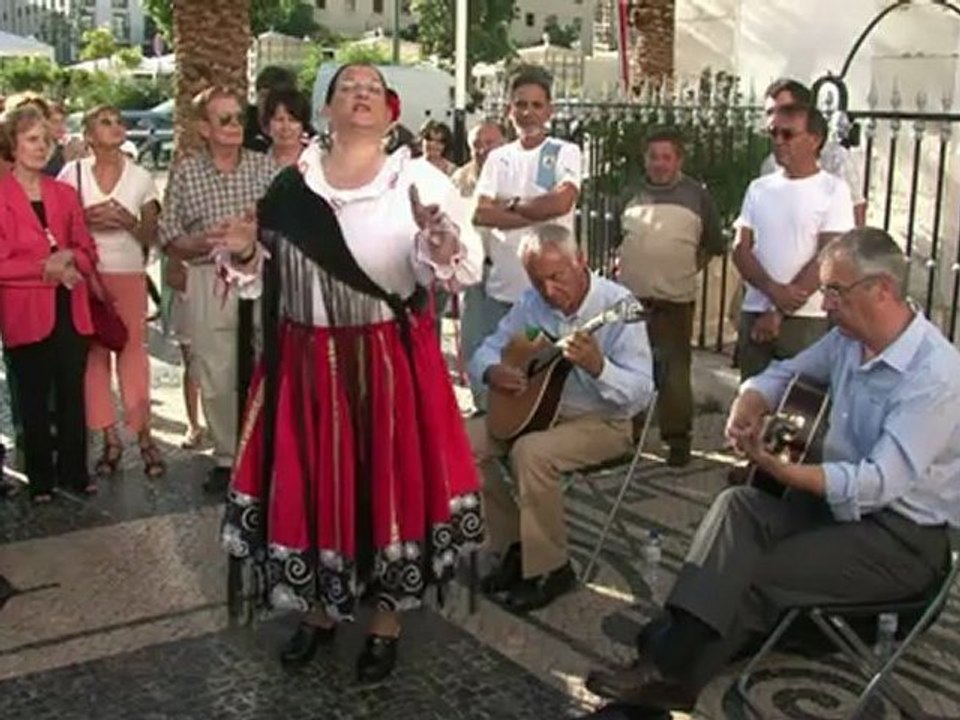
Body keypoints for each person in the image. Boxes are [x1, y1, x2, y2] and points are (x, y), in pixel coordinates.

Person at [584, 227, 958, 715]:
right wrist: (751, 400)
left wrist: (781, 472)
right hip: (833, 512)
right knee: (737, 506)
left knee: (747, 570)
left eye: (834, 291)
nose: (823, 305)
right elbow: (783, 374)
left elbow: (877, 483)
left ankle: (667, 671)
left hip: (900, 542)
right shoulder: (849, 340)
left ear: (882, 290)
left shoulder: (936, 376)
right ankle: (670, 660)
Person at [216, 63, 484, 683]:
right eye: (347, 88)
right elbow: (262, 272)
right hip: (306, 364)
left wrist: (439, 243)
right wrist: (241, 252)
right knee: (313, 489)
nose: (361, 94)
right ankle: (319, 613)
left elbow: (455, 267)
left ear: (390, 113)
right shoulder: (292, 182)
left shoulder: (416, 179)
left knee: (385, 491)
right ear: (326, 110)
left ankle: (385, 623)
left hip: (385, 364)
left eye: (372, 89)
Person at [468, 223, 654, 613]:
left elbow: (639, 394)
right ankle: (513, 545)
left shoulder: (621, 307)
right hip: (538, 413)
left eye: (557, 277)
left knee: (530, 453)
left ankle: (552, 569)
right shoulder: (532, 305)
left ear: (581, 261)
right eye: (539, 282)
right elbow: (488, 349)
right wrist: (492, 371)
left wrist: (600, 367)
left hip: (604, 421)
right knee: (463, 443)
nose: (550, 292)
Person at [158, 86, 275, 493]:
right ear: (203, 128)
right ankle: (229, 457)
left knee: (266, 363)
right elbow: (169, 234)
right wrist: (205, 242)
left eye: (238, 117)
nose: (233, 126)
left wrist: (250, 235)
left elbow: (282, 227)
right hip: (209, 279)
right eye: (223, 119)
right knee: (214, 369)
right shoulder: (187, 171)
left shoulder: (265, 167)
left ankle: (267, 453)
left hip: (259, 275)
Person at [58, 105, 165, 478]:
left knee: (134, 354)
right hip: (87, 278)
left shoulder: (140, 177)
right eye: (105, 121)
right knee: (95, 359)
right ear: (88, 133)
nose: (116, 126)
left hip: (129, 272)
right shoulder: (71, 174)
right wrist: (87, 221)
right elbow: (58, 230)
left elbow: (152, 236)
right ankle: (110, 441)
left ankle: (145, 437)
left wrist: (127, 220)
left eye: (119, 121)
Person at [0, 104, 98, 502]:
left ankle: (76, 472)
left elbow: (88, 250)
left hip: (70, 310)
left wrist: (72, 260)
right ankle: (40, 478)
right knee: (33, 398)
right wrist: (47, 268)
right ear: (13, 144)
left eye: (46, 140)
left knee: (73, 395)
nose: (42, 148)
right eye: (32, 140)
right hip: (25, 313)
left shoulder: (65, 193)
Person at [617, 127, 725, 467]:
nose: (659, 164)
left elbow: (712, 244)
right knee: (629, 369)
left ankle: (677, 441)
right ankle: (627, 437)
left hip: (674, 303)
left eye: (667, 157)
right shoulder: (631, 193)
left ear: (678, 159)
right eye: (653, 157)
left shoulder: (697, 196)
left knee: (674, 376)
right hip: (631, 302)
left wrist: (683, 270)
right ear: (645, 159)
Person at [733, 105, 854, 382]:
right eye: (773, 133)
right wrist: (771, 291)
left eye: (787, 134)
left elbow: (828, 254)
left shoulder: (833, 190)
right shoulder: (759, 188)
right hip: (755, 310)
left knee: (799, 406)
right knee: (752, 399)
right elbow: (741, 249)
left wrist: (780, 310)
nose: (778, 140)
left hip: (805, 318)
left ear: (814, 140)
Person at [474, 64, 582, 326]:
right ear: (509, 110)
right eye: (521, 105)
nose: (528, 113)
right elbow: (480, 213)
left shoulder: (564, 152)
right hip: (503, 291)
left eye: (536, 105)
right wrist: (539, 214)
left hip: (550, 295)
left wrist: (508, 205)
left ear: (549, 110)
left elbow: (561, 202)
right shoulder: (498, 158)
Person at [451, 118, 507, 410]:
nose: (483, 150)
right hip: (472, 274)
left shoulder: (514, 175)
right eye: (477, 145)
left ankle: (506, 408)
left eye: (490, 144)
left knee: (505, 343)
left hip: (508, 272)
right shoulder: (460, 179)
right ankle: (481, 404)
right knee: (474, 341)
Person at [760, 78, 866, 226]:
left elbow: (856, 211)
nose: (776, 119)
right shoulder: (770, 165)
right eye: (770, 112)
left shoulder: (835, 159)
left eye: (786, 110)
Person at [243, 65, 299, 153]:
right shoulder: (242, 127)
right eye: (263, 96)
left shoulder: (302, 134)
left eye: (274, 98)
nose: (267, 103)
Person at [261, 87, 311, 168]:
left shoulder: (316, 161)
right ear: (268, 123)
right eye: (279, 119)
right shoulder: (256, 163)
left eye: (292, 120)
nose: (286, 127)